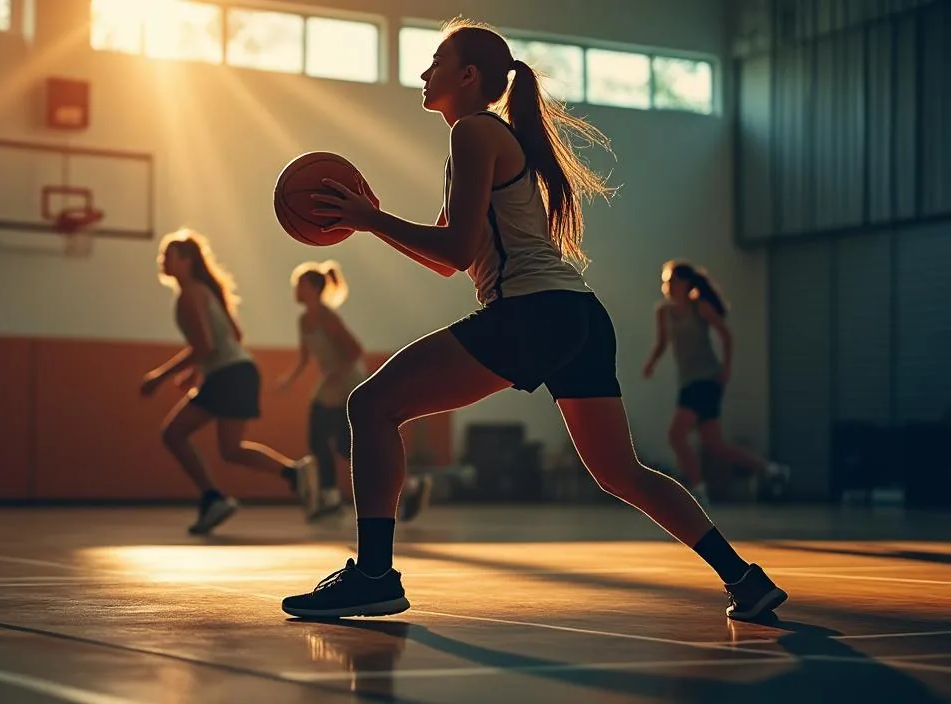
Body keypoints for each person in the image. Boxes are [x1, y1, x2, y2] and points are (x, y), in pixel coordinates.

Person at [280, 18, 787, 622]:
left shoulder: (473, 131)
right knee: (621, 471)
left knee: (370, 405)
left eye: (436, 62)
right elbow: (447, 259)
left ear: (468, 76)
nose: (424, 72)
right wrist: (375, 219)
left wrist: (370, 220)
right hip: (578, 315)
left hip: (533, 311)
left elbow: (454, 251)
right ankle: (744, 579)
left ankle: (373, 576)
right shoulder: (478, 138)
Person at [141, 229, 313, 535]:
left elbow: (205, 346)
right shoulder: (206, 291)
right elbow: (233, 336)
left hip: (229, 374)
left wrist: (159, 377)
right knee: (231, 449)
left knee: (174, 433)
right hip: (240, 371)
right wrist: (197, 371)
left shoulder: (190, 295)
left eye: (168, 255)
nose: (162, 260)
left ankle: (213, 498)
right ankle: (294, 473)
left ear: (186, 260)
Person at [277, 260, 434, 522]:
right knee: (334, 443)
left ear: (314, 288)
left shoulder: (327, 317)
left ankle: (407, 487)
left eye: (300, 285)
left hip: (347, 381)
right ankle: (338, 498)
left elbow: (355, 350)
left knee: (345, 443)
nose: (296, 290)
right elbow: (305, 357)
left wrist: (336, 373)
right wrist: (288, 380)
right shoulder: (304, 320)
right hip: (330, 384)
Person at [643, 260, 790, 505]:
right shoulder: (663, 312)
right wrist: (651, 364)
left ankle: (699, 490)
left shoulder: (700, 307)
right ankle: (772, 469)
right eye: (667, 280)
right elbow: (662, 343)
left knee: (676, 435)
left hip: (706, 379)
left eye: (674, 280)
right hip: (687, 381)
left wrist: (726, 369)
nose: (668, 285)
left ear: (686, 283)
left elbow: (726, 336)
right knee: (715, 445)